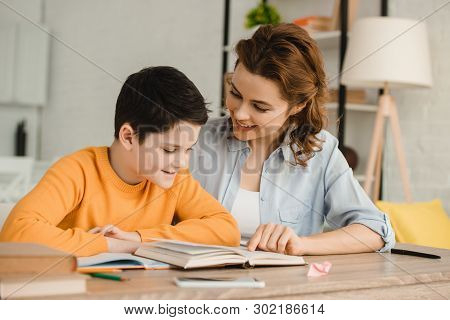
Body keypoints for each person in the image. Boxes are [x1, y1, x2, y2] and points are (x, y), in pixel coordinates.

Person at [190, 23, 395, 256]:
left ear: (298, 105)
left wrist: (302, 244)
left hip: (283, 288)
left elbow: (376, 230)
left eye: (260, 106)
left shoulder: (321, 152)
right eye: (235, 94)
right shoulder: (195, 138)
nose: (240, 113)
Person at [0, 66, 240, 256]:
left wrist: (137, 239)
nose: (182, 163)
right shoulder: (77, 171)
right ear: (128, 136)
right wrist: (111, 245)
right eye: (169, 149)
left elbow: (226, 230)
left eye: (188, 149)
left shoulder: (175, 179)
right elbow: (16, 233)